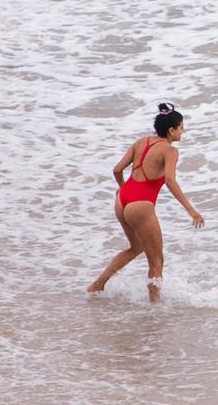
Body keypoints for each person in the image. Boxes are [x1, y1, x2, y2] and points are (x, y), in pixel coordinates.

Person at [88, 103, 204, 302]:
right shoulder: (170, 151)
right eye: (181, 127)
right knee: (157, 261)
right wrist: (191, 210)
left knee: (135, 248)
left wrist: (123, 188)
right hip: (140, 205)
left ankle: (98, 284)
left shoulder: (140, 142)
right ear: (171, 130)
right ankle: (155, 306)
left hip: (122, 200)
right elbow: (169, 180)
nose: (183, 132)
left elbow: (117, 169)